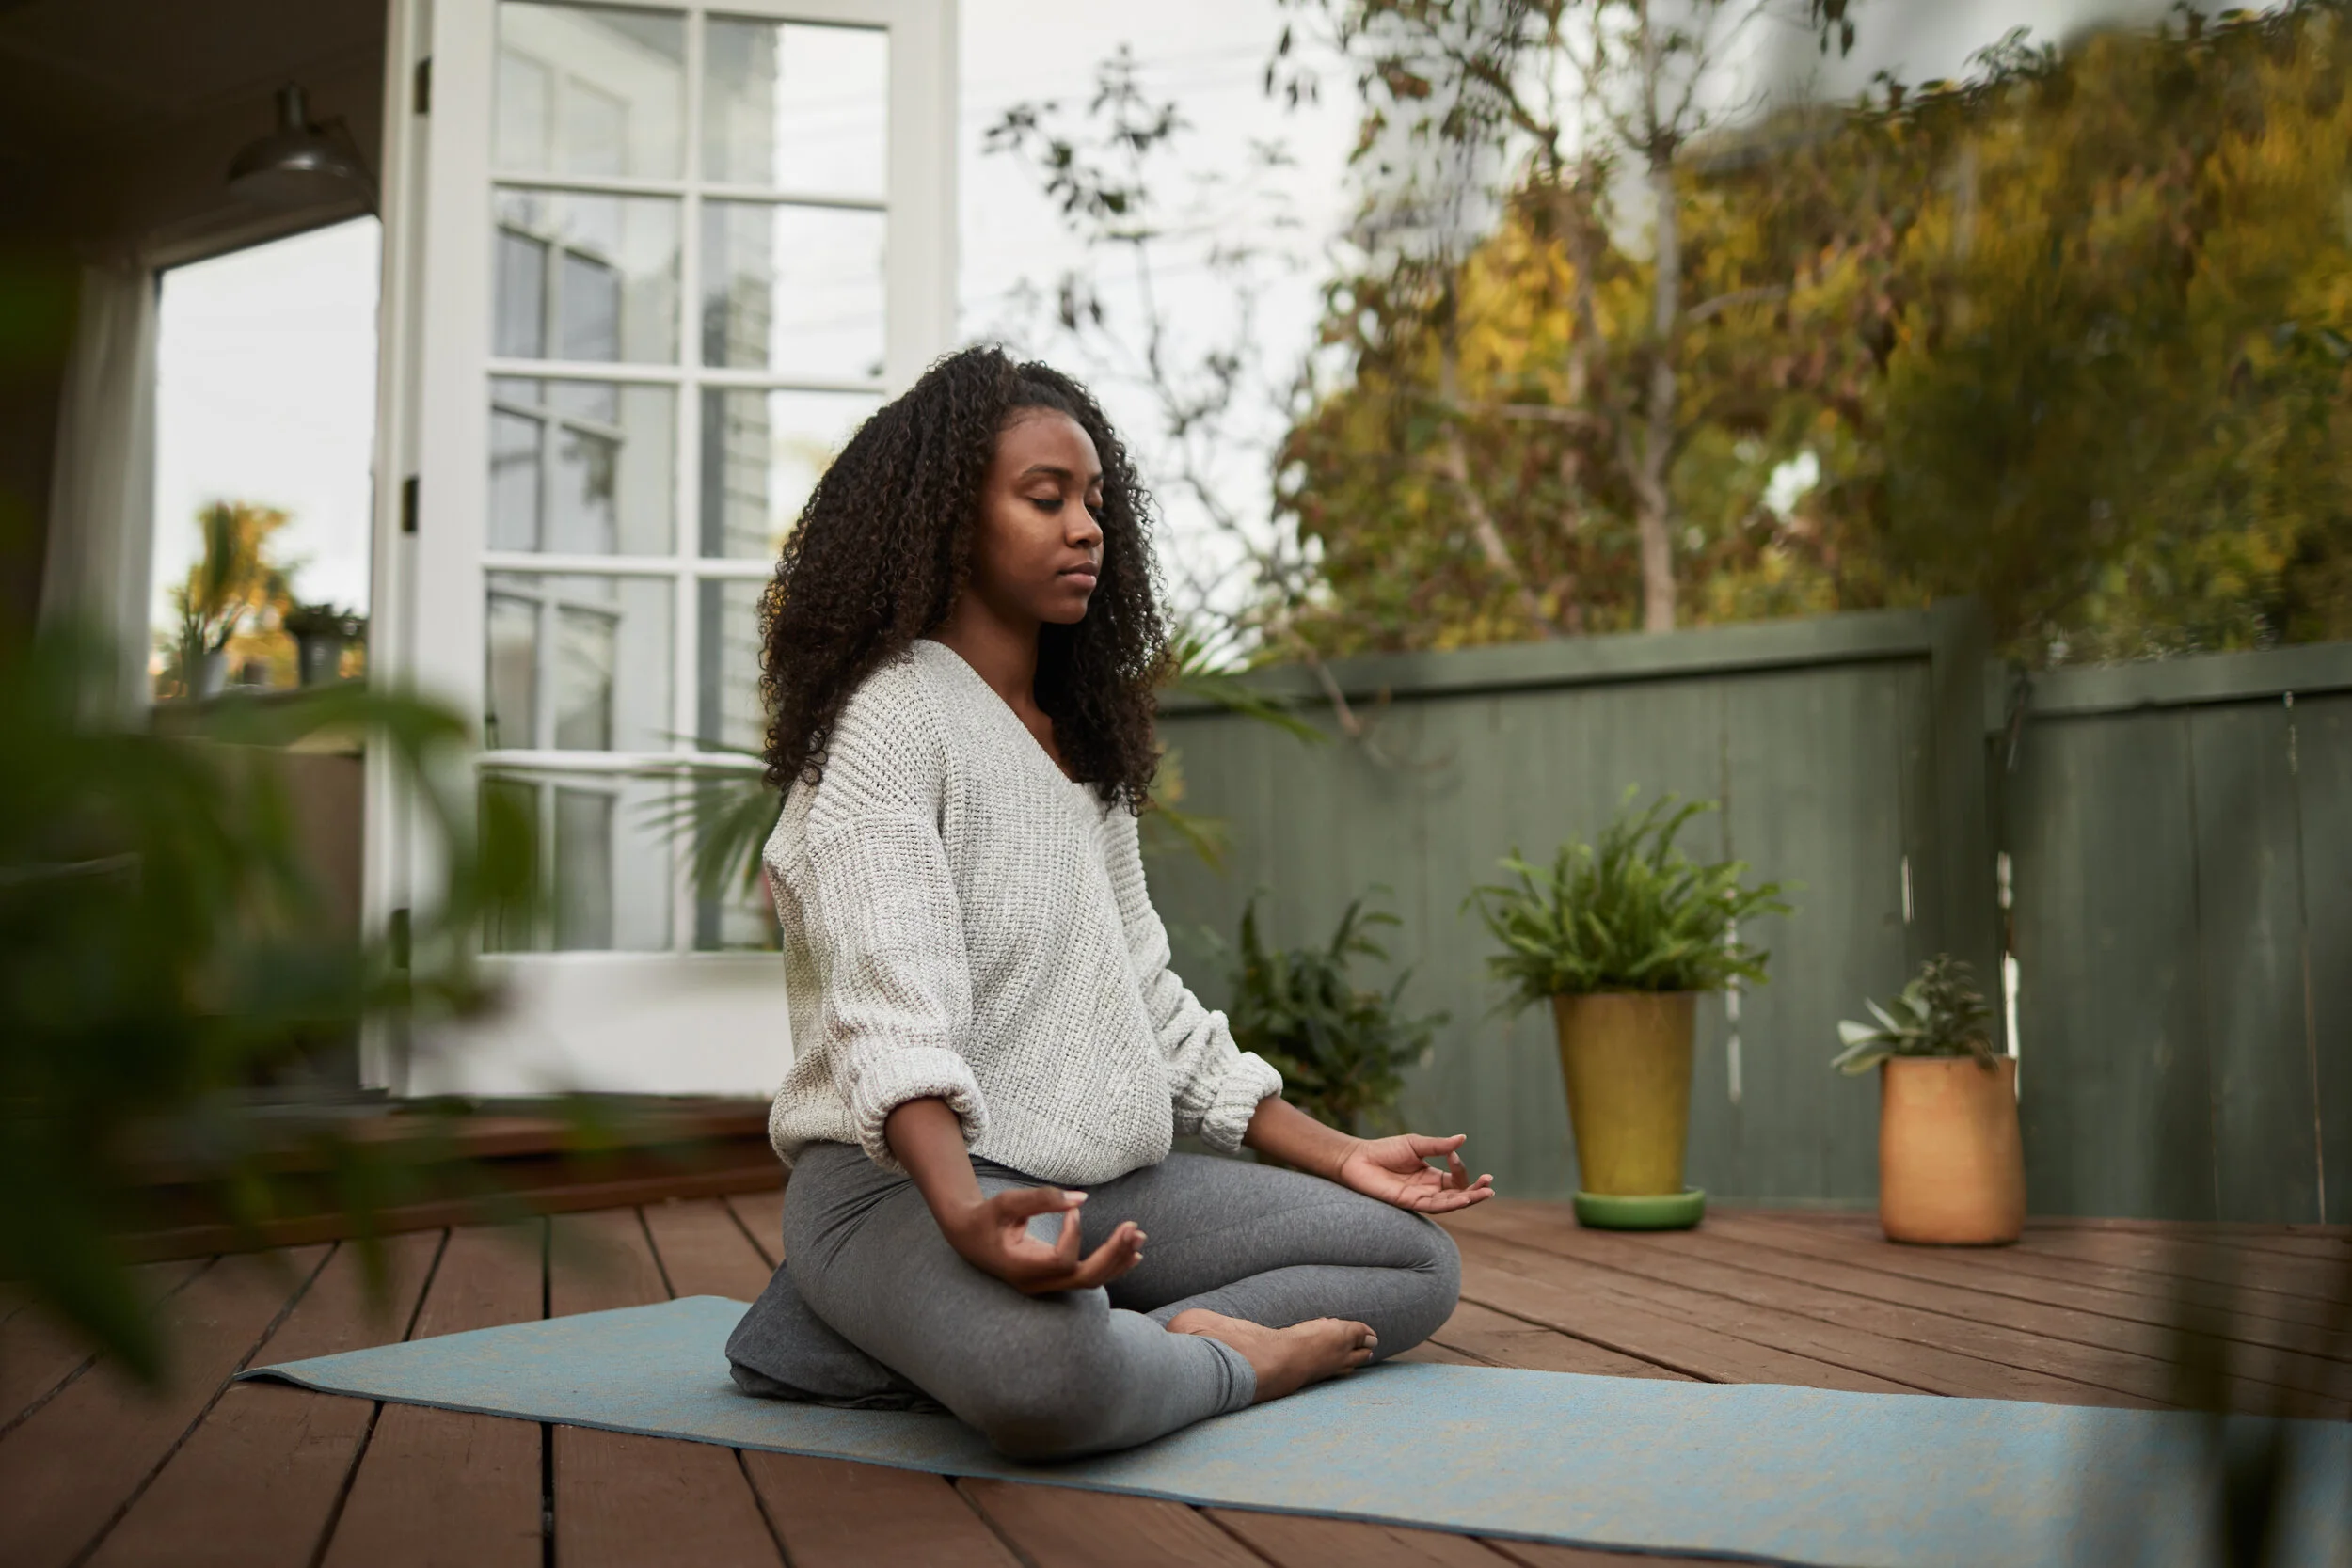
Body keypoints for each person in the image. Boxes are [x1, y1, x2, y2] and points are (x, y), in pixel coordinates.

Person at [724, 345, 1494, 1461]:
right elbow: (889, 1019)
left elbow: (1151, 1006)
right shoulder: (887, 719)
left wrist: (1339, 1154)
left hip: (1096, 1177)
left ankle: (911, 1334)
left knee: (1411, 1262)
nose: (1087, 525)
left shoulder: (1078, 749)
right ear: (946, 519)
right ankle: (1211, 1356)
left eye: (1094, 500)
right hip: (898, 1186)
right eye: (1046, 498)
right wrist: (964, 1221)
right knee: (1054, 1375)